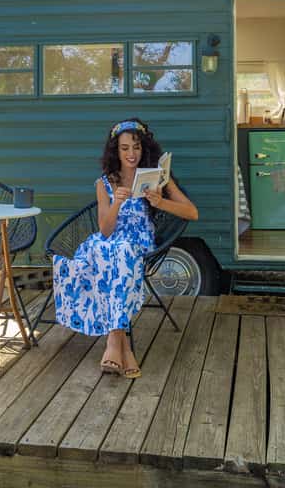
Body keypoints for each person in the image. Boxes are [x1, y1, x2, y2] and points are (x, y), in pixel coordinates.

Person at [51, 118, 198, 378]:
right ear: (115, 151)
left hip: (137, 244)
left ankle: (113, 343)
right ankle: (124, 348)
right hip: (108, 245)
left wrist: (160, 202)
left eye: (137, 147)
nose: (131, 154)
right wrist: (116, 202)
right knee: (104, 251)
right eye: (125, 148)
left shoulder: (158, 178)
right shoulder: (104, 183)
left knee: (119, 253)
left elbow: (191, 212)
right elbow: (105, 230)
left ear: (145, 149)